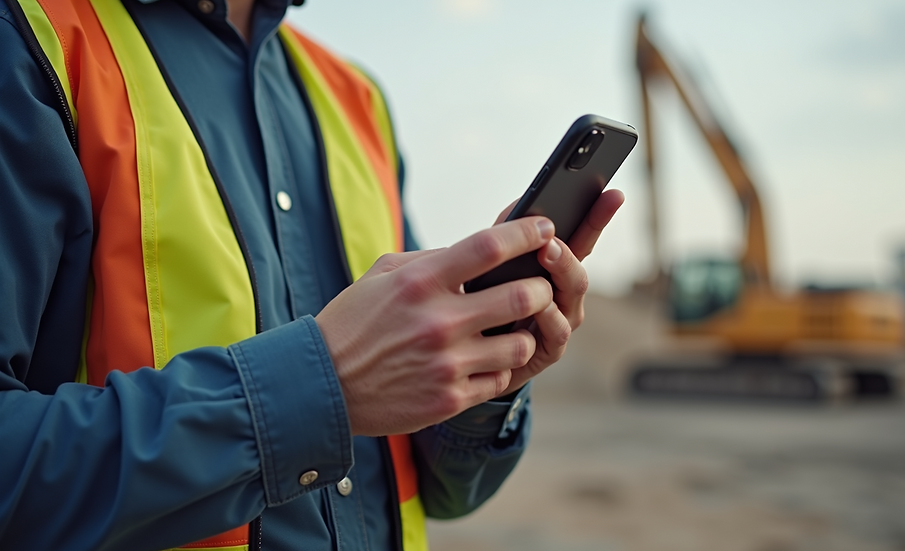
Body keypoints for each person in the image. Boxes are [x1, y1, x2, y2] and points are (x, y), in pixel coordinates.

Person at [0, 0, 624, 549]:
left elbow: (446, 492)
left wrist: (486, 370)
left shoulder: (356, 99)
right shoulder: (28, 38)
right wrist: (315, 388)